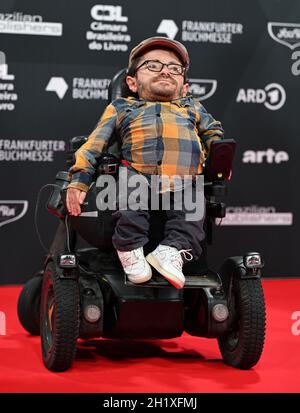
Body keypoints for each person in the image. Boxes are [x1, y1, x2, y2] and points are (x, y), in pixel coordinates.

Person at [66, 37, 224, 289]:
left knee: (192, 213)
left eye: (174, 68)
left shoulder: (192, 108)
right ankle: (129, 248)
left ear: (184, 86)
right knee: (131, 199)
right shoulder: (121, 107)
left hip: (185, 180)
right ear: (131, 82)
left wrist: (218, 154)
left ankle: (171, 252)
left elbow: (213, 133)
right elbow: (93, 146)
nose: (165, 70)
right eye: (153, 65)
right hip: (137, 173)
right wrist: (79, 180)